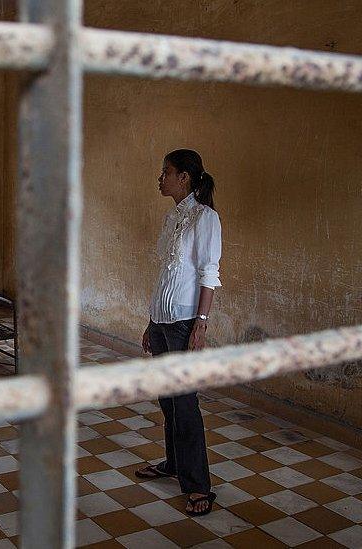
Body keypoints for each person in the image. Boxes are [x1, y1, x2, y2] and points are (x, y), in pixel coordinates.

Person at [134, 149, 222, 517]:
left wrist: (201, 323)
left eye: (166, 172)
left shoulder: (205, 218)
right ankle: (172, 464)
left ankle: (199, 485)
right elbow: (167, 274)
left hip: (185, 322)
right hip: (163, 321)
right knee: (168, 401)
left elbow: (208, 273)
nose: (161, 178)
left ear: (184, 177)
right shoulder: (173, 216)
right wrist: (151, 322)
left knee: (185, 404)